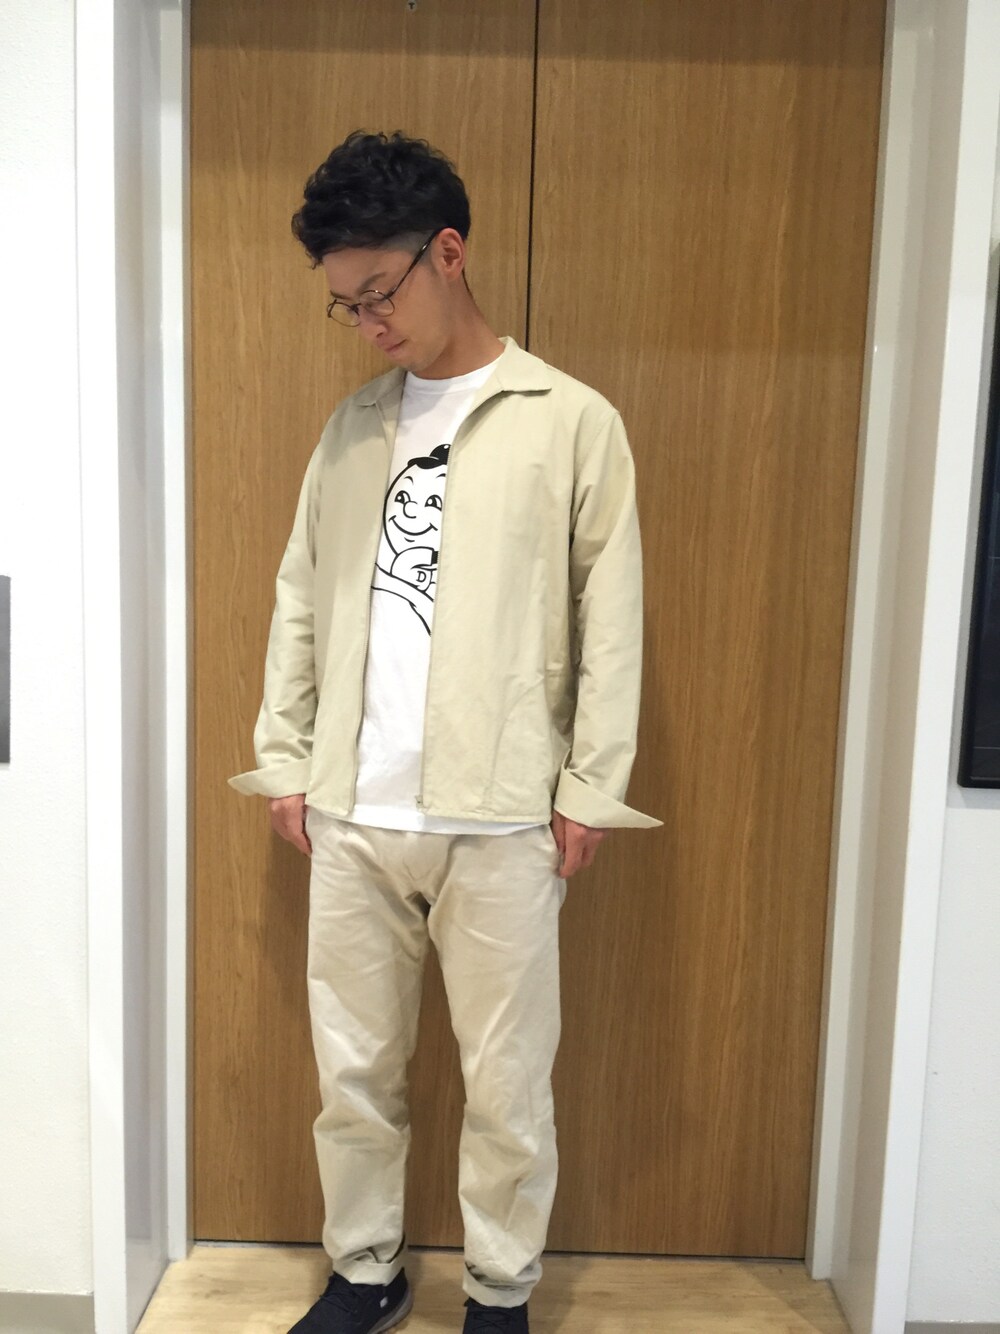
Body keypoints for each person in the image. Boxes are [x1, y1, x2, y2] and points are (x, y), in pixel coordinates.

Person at [227, 129, 662, 1334]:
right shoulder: (352, 425)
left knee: (508, 1084)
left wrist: (589, 786)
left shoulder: (569, 420)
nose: (367, 321)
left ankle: (499, 1290)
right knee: (352, 1074)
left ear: (449, 253)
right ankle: (365, 1270)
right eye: (345, 303)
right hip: (352, 806)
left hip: (503, 810)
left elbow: (612, 617)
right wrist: (286, 756)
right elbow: (301, 595)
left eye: (379, 291)